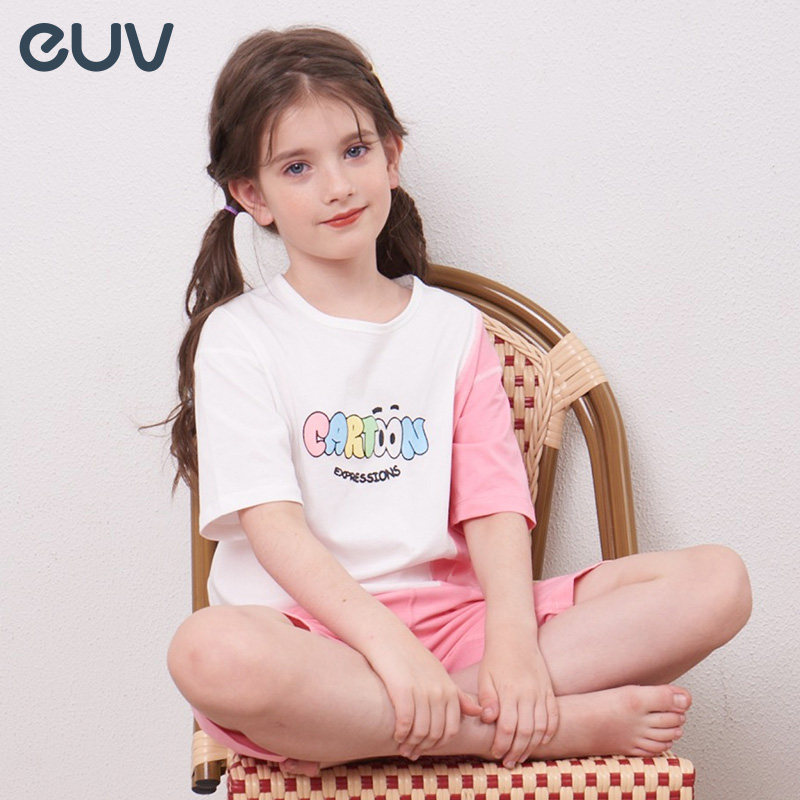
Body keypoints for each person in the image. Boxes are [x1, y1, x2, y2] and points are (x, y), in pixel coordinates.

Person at [162, 25, 752, 778]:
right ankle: (525, 727)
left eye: (355, 151)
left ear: (392, 156)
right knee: (208, 652)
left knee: (718, 583)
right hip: (313, 640)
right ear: (253, 195)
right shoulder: (240, 336)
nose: (337, 186)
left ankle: (391, 723)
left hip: (458, 628)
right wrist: (389, 648)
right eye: (298, 167)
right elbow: (274, 529)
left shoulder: (452, 328)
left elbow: (493, 501)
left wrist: (513, 643)